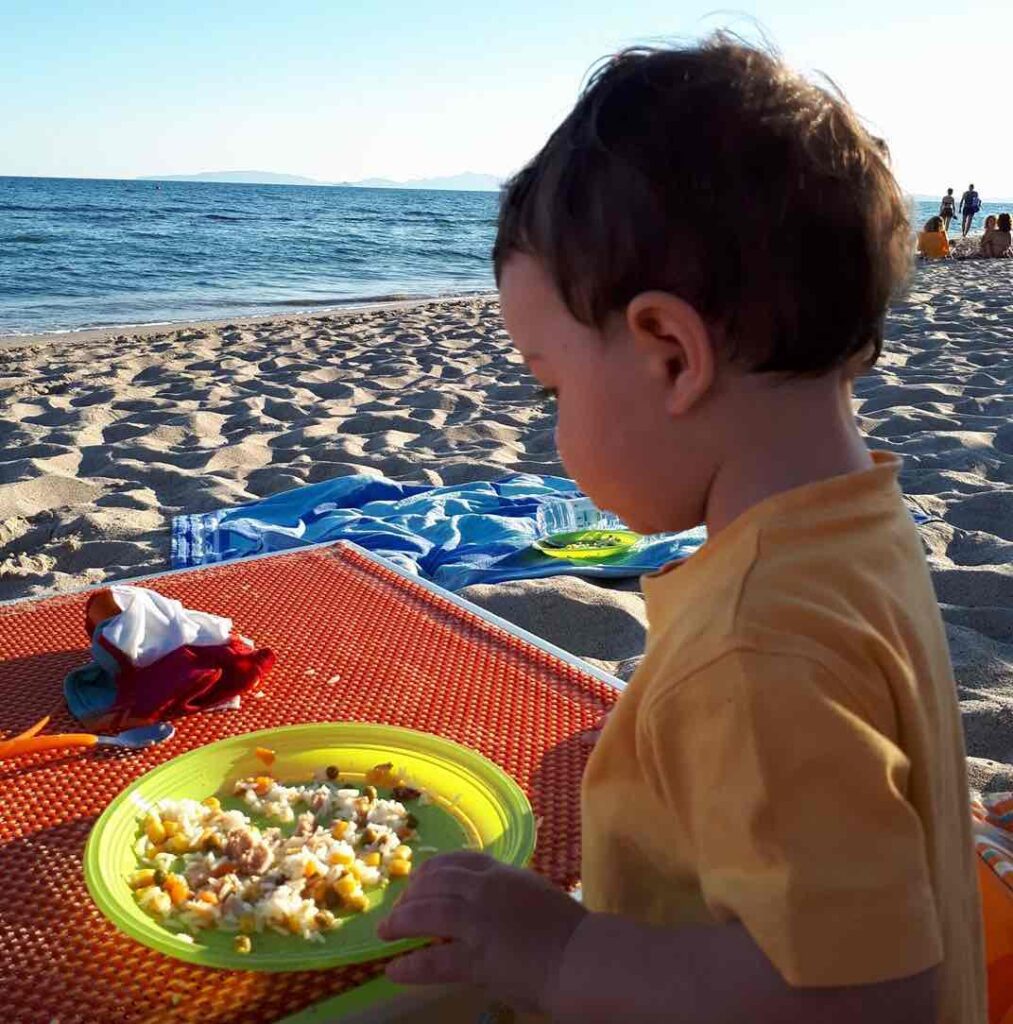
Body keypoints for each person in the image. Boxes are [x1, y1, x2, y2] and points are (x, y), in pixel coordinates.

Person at [378, 36, 985, 1024]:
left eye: (550, 386)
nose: (551, 422)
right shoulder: (854, 529)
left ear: (668, 354)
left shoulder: (759, 640)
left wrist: (555, 950)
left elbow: (870, 998)